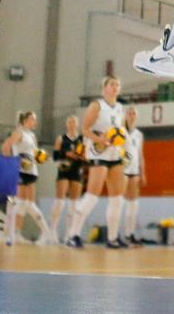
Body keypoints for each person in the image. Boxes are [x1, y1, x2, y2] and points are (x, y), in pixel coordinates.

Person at [66, 76, 129, 248]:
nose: (115, 87)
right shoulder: (97, 105)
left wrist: (121, 142)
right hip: (98, 153)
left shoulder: (120, 108)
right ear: (104, 88)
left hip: (115, 154)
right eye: (112, 84)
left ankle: (113, 238)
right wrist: (100, 139)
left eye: (117, 84)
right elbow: (85, 129)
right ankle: (72, 235)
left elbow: (121, 131)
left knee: (117, 199)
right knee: (92, 197)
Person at [1, 111, 56, 244]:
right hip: (20, 172)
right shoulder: (19, 133)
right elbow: (6, 147)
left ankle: (17, 233)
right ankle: (44, 232)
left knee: (28, 204)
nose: (35, 122)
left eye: (35, 119)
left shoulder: (32, 135)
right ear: (26, 120)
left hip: (32, 172)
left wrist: (42, 157)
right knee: (19, 202)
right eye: (33, 119)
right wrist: (10, 164)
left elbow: (34, 153)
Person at [49, 115, 84, 237]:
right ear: (66, 124)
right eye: (69, 122)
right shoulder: (61, 138)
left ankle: (69, 234)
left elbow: (86, 157)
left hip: (77, 170)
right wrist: (66, 154)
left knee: (73, 204)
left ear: (77, 124)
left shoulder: (82, 139)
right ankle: (52, 231)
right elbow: (55, 157)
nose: (71, 124)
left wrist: (78, 156)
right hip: (64, 169)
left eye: (73, 122)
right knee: (59, 201)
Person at [122, 107, 147, 246]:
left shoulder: (139, 134)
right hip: (122, 170)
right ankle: (113, 236)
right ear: (125, 116)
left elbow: (140, 155)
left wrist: (143, 173)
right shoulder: (120, 131)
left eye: (134, 114)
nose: (131, 116)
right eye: (129, 113)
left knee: (133, 204)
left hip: (134, 171)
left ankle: (129, 235)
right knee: (119, 202)